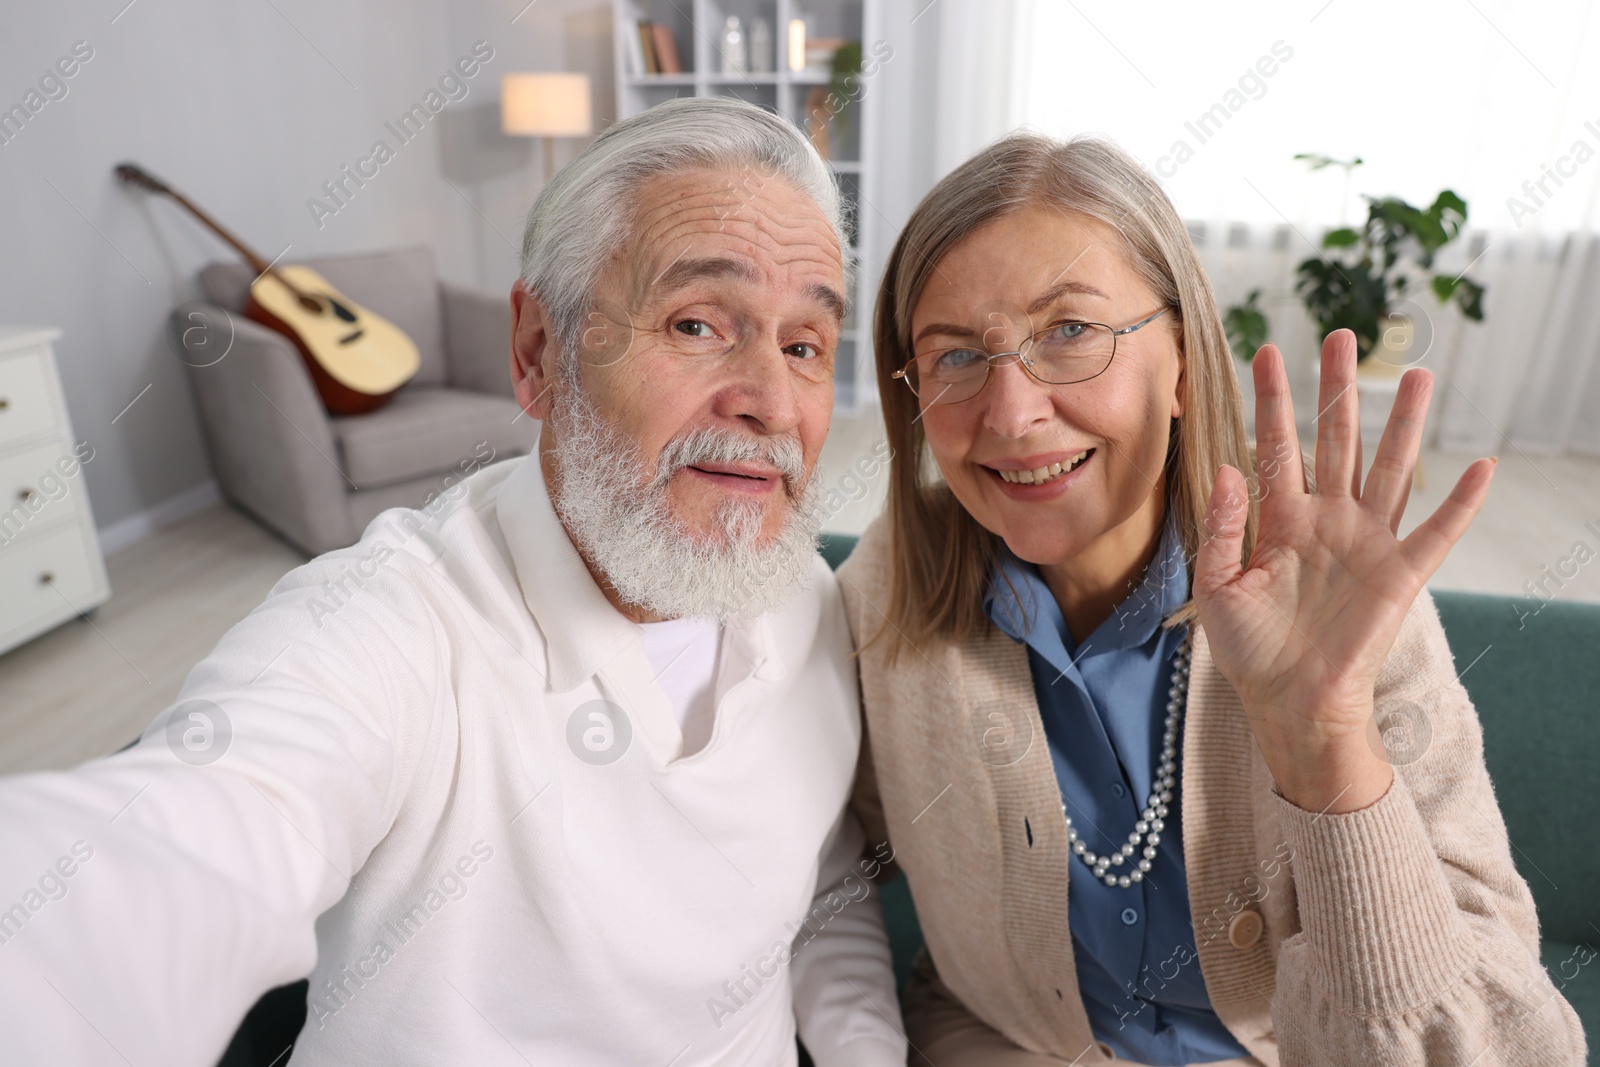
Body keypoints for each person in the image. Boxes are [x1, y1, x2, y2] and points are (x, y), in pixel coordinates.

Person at [0, 97, 906, 1067]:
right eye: (694, 322)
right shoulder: (390, 633)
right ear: (535, 353)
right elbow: (173, 852)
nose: (770, 400)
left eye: (805, 344)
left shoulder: (805, 595)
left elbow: (813, 879)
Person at [838, 133, 1587, 1065]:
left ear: (1185, 364)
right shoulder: (885, 592)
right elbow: (806, 842)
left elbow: (1504, 1049)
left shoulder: (1327, 594)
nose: (1011, 413)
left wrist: (1324, 749)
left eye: (1069, 332)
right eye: (954, 356)